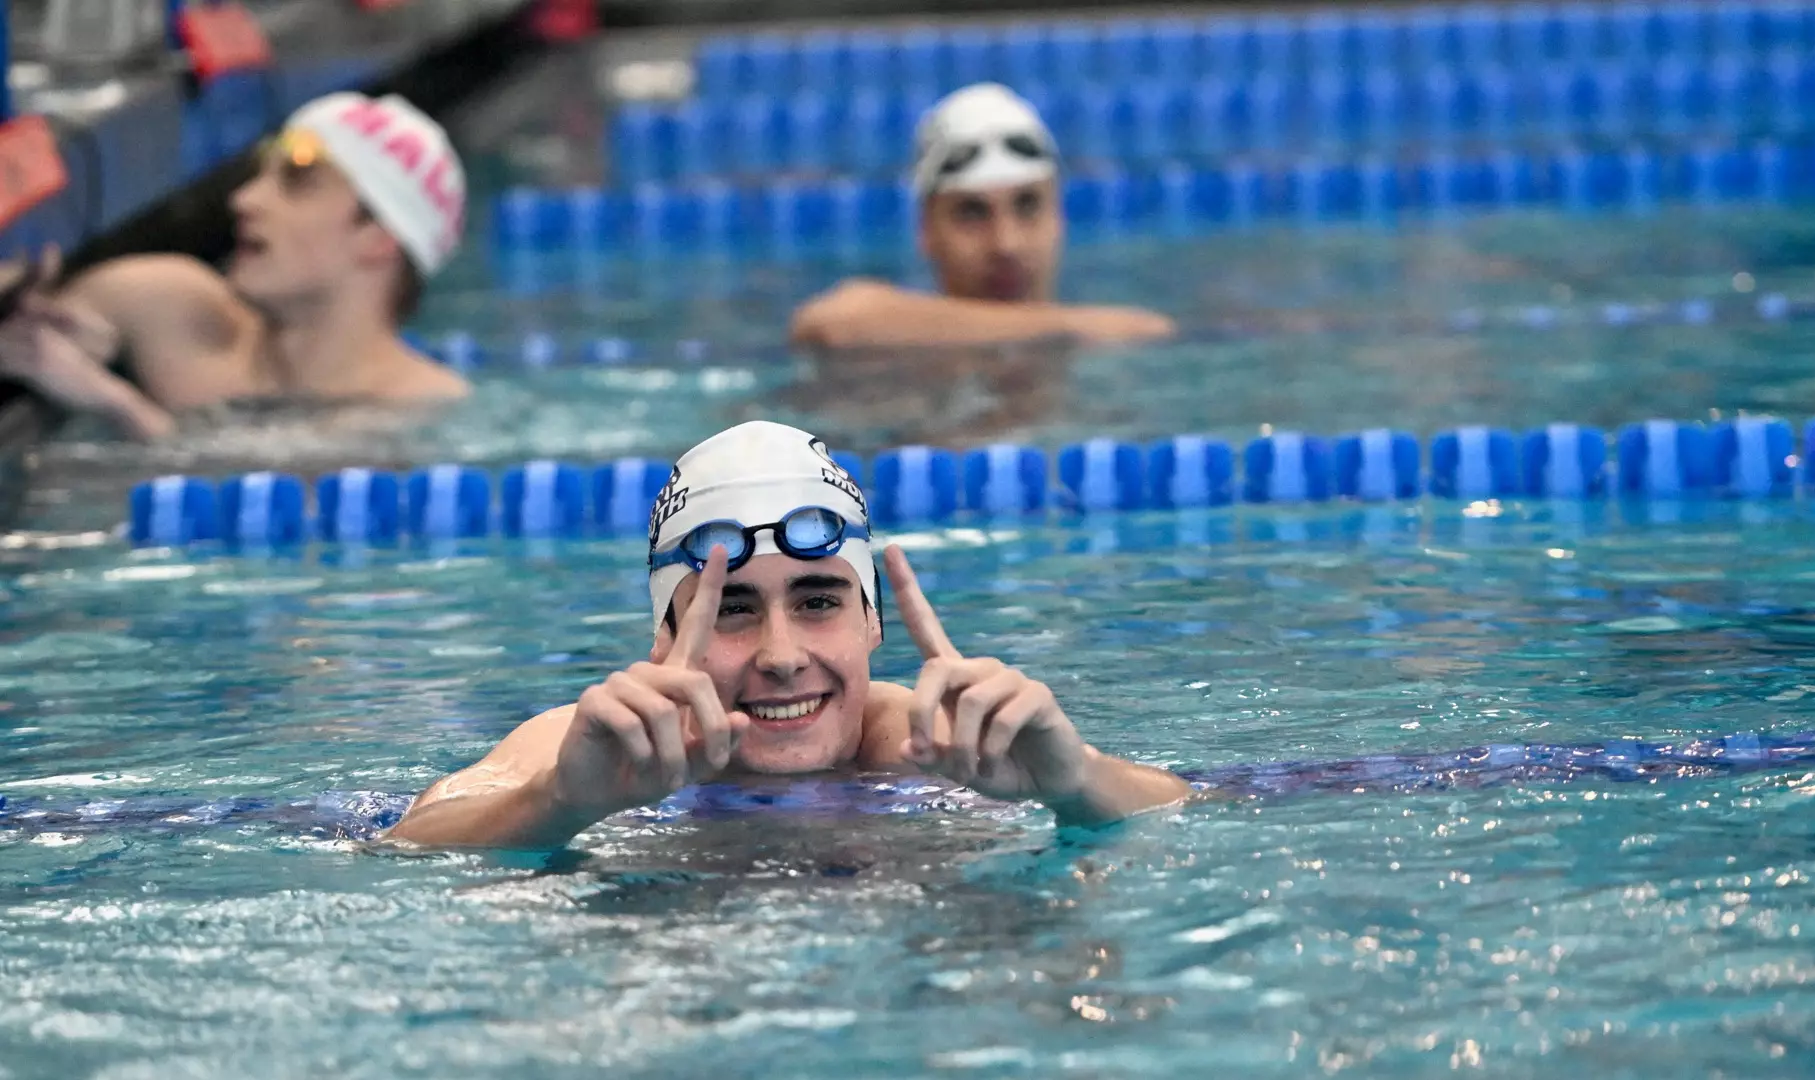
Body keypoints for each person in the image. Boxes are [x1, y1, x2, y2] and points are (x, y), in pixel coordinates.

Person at [385, 420, 1191, 850]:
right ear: (663, 641)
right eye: (732, 609)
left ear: (872, 621)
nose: (780, 656)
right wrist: (561, 803)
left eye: (817, 602)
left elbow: (1192, 806)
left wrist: (1072, 781)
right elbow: (409, 844)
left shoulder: (940, 744)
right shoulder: (595, 753)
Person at [0, 92, 470, 442]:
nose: (245, 199)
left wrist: (119, 405)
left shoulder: (420, 414)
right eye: (260, 173)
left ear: (377, 238)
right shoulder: (169, 312)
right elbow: (35, 326)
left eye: (298, 182)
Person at [789, 83, 1175, 351]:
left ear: (1059, 215)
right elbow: (832, 323)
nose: (1006, 243)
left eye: (1027, 205)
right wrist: (1070, 328)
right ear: (926, 229)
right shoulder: (1102, 331)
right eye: (972, 212)